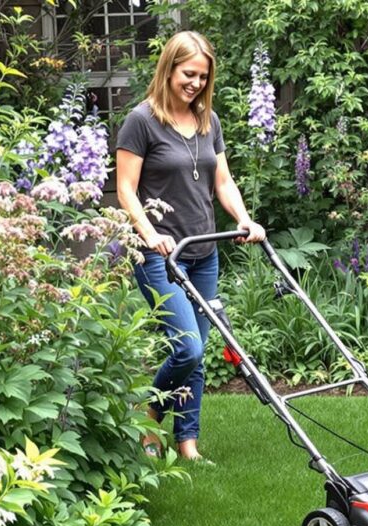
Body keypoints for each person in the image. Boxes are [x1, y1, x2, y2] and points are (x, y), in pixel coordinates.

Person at [115, 30, 265, 463]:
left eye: (202, 76)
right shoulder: (141, 121)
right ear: (168, 69)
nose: (195, 83)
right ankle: (147, 416)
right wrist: (149, 233)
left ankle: (188, 444)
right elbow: (125, 189)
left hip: (204, 252)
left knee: (195, 356)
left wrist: (243, 218)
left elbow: (222, 180)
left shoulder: (207, 121)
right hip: (159, 254)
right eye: (188, 74)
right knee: (189, 349)